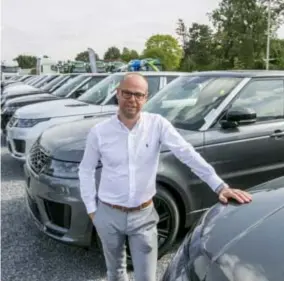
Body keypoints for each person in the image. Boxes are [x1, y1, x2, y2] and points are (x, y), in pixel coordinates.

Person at [78, 73, 252, 281]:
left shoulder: (157, 125)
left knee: (147, 277)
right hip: (108, 214)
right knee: (115, 273)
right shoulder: (99, 132)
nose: (132, 99)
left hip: (143, 216)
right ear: (117, 93)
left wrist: (219, 186)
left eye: (138, 94)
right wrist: (92, 210)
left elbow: (187, 153)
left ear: (145, 97)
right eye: (127, 93)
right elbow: (86, 170)